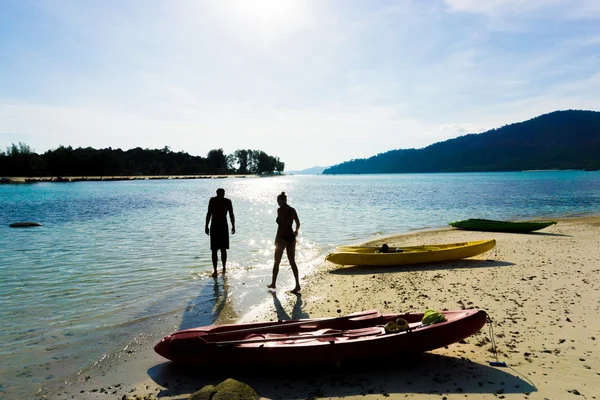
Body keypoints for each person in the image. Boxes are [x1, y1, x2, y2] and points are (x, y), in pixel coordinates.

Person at [267, 192, 301, 293]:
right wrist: (296, 231)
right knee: (292, 262)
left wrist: (276, 240)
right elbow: (298, 223)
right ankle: (297, 285)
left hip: (282, 238)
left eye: (278, 201)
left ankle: (273, 283)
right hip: (291, 238)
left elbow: (281, 225)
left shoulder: (280, 210)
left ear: (281, 201)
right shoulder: (292, 210)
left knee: (277, 262)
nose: (278, 203)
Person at [205, 188, 235, 277]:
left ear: (223, 194)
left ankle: (224, 268)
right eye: (220, 195)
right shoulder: (213, 200)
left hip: (222, 226)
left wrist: (233, 225)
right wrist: (206, 225)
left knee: (223, 249)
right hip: (215, 226)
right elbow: (209, 213)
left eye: (221, 195)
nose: (221, 197)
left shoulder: (227, 201)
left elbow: (231, 214)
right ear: (217, 194)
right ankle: (215, 270)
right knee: (214, 250)